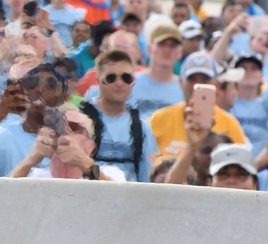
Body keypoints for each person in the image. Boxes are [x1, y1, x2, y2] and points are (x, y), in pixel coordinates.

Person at [148, 51, 248, 158]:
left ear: (217, 84)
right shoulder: (159, 119)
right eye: (192, 79)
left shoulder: (230, 124)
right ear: (181, 83)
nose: (198, 84)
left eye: (205, 79)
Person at [80, 49, 158, 182]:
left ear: (133, 82)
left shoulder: (142, 126)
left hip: (128, 197)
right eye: (111, 78)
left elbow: (147, 178)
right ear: (99, 80)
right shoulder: (80, 118)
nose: (119, 83)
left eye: (126, 78)